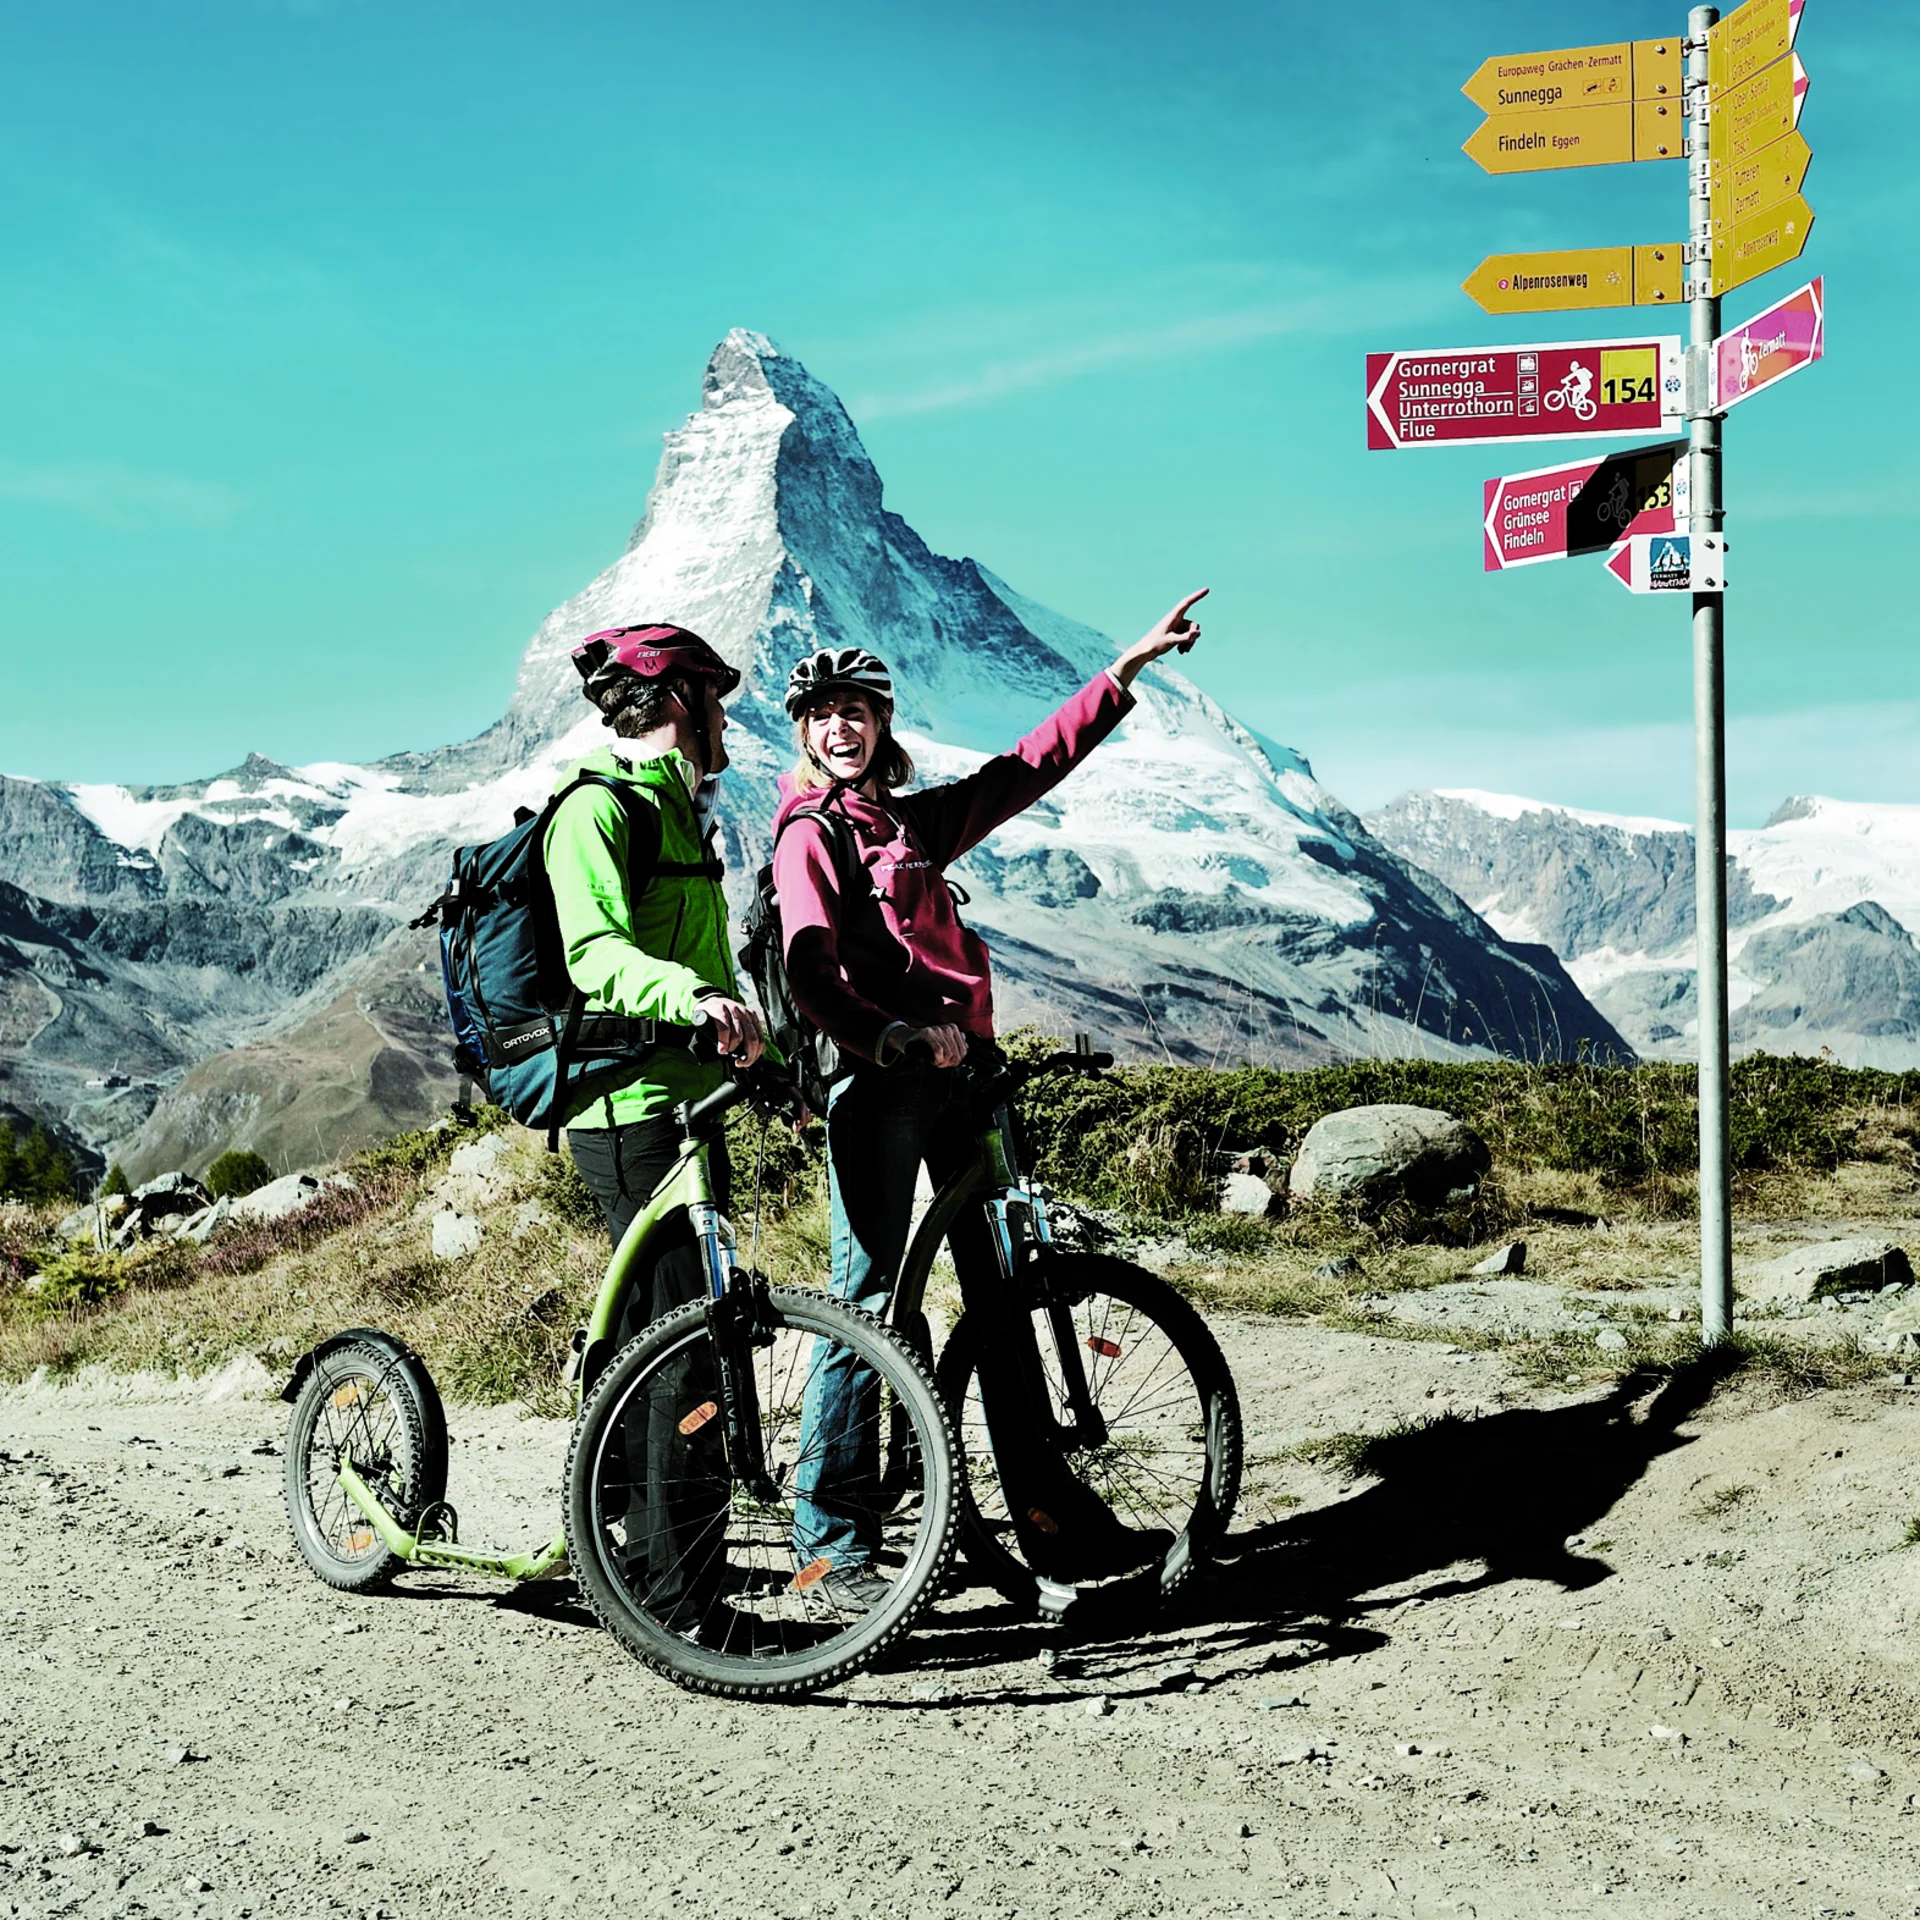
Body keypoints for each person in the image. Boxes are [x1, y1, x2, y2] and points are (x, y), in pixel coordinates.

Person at [772, 591, 1209, 1605]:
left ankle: (1050, 1517)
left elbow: (1023, 770)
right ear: (806, 733)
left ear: (883, 727)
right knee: (871, 1303)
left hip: (966, 1081)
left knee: (1007, 1298)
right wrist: (886, 1036)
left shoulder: (910, 823)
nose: (841, 727)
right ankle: (830, 1544)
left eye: (858, 711)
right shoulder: (810, 834)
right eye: (822, 714)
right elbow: (810, 971)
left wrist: (1123, 673)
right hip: (879, 1089)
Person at [547, 622, 765, 1626]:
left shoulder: (681, 811)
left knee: (669, 1338)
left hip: (688, 1105)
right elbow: (596, 951)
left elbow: (705, 956)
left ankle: (626, 1545)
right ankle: (682, 1602)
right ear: (676, 700)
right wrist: (688, 999)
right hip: (627, 1111)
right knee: (683, 1348)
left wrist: (743, 1031)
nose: (723, 716)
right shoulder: (595, 811)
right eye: (713, 698)